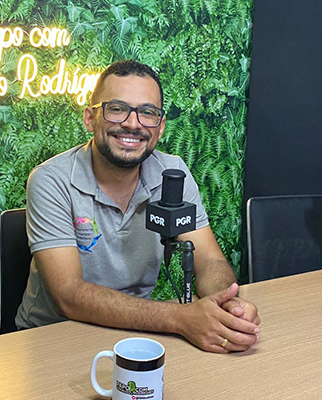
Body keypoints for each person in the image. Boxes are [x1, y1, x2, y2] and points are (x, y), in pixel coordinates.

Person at [15, 60, 260, 353]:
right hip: (53, 338)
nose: (133, 124)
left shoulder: (172, 174)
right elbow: (68, 295)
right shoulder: (51, 179)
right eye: (117, 109)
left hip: (137, 333)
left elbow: (209, 261)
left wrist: (228, 305)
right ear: (90, 118)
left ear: (160, 127)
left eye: (147, 113)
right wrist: (180, 318)